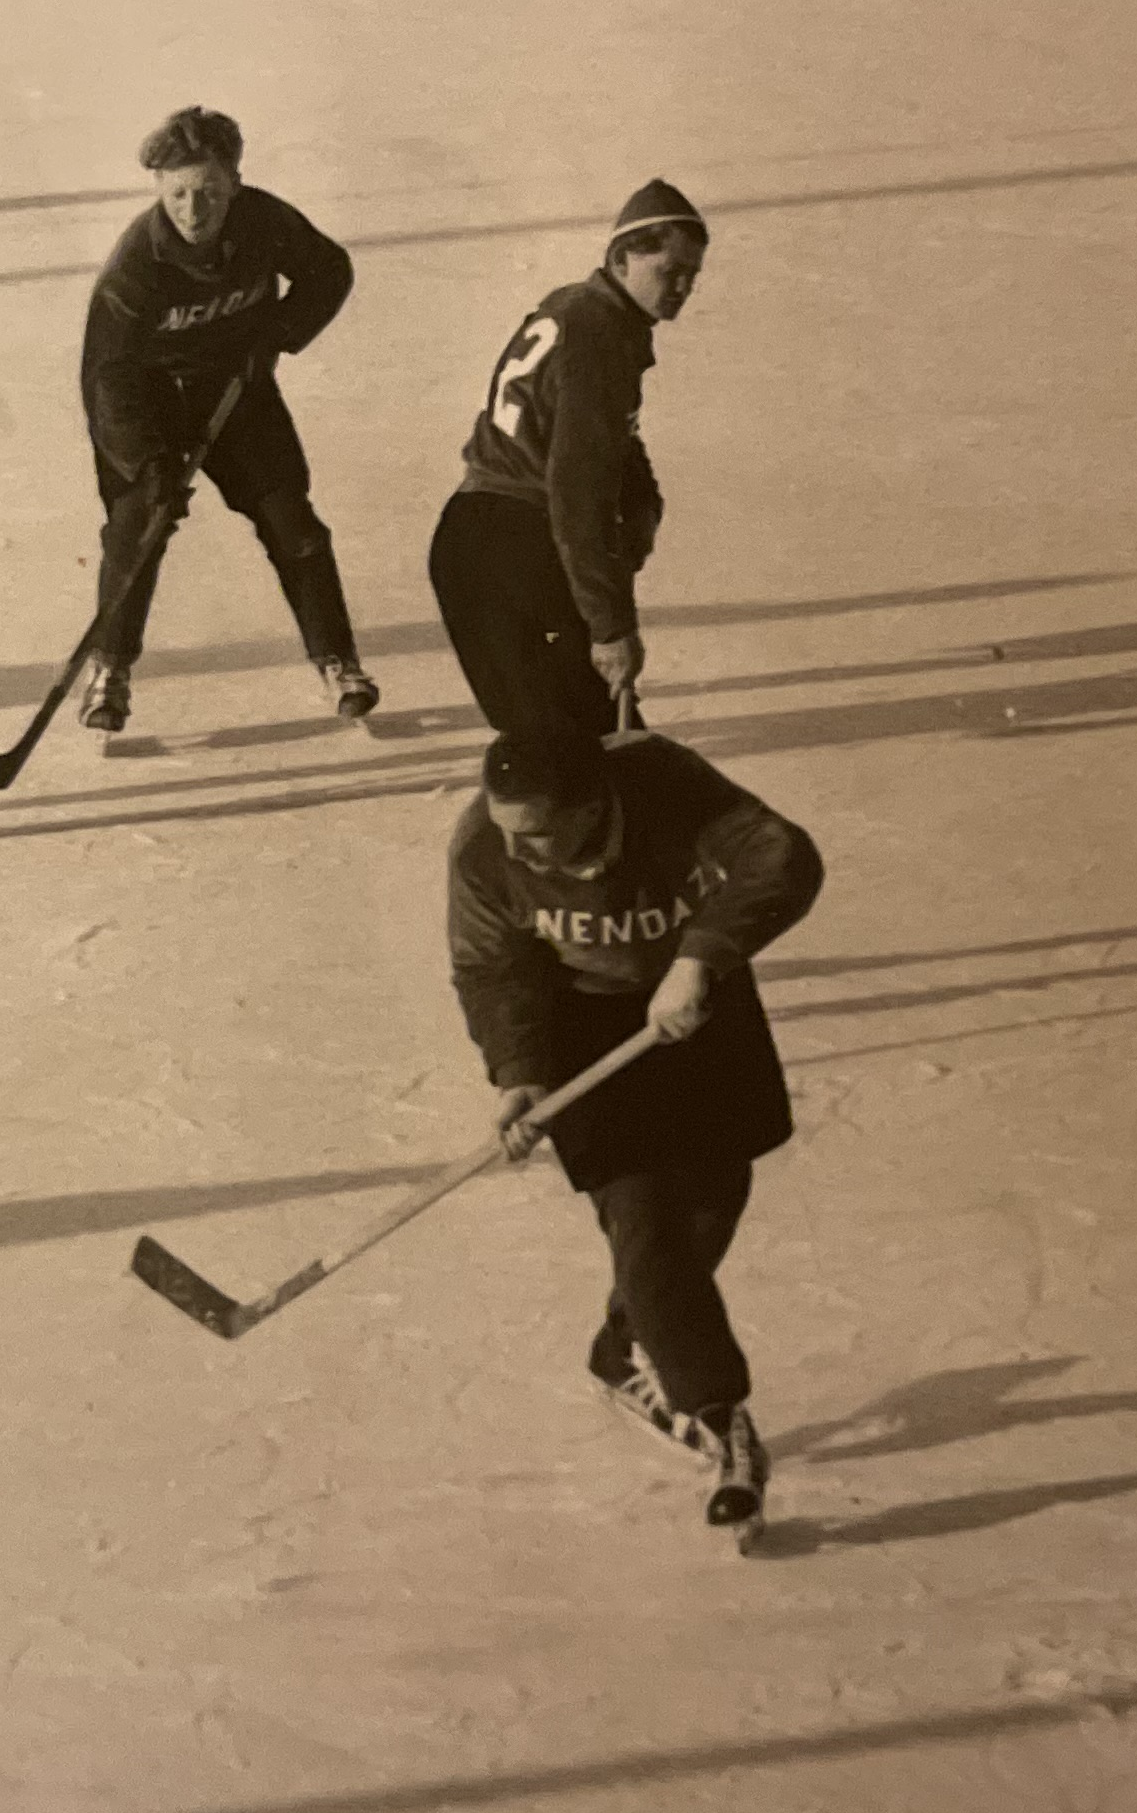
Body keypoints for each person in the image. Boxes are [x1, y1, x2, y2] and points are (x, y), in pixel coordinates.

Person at [446, 714, 823, 1542]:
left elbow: (782, 855)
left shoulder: (664, 785)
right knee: (644, 1214)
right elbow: (488, 966)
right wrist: (519, 1075)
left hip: (692, 1000)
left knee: (711, 1201)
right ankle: (719, 1414)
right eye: (512, 834)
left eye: (540, 836)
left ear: (593, 804)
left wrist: (701, 955)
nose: (523, 855)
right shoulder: (484, 847)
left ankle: (622, 1346)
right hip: (577, 1024)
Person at [74, 106, 369, 735]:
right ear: (159, 188)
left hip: (236, 392)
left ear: (234, 182)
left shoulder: (265, 220)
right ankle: (110, 669)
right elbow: (108, 380)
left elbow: (329, 270)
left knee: (293, 520)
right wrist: (146, 463)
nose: (193, 210)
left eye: (208, 192)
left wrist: (282, 332)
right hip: (146, 403)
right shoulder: (136, 267)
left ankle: (338, 661)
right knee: (136, 530)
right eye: (178, 194)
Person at [430, 181, 703, 748]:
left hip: (478, 543)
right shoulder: (598, 338)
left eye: (691, 276)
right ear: (621, 258)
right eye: (669, 269)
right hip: (517, 551)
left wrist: (644, 505)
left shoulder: (575, 309)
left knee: (558, 761)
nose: (682, 287)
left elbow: (611, 448)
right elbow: (578, 496)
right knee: (593, 760)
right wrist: (610, 629)